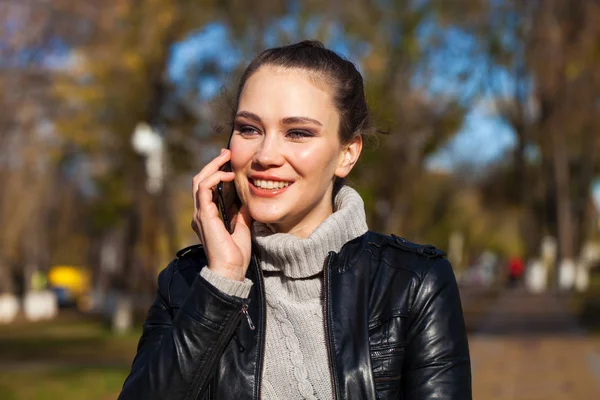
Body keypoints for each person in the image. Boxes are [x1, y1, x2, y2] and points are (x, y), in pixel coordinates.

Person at [118, 40, 471, 400]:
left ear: (347, 154)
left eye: (298, 132)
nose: (266, 155)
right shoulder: (188, 282)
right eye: (249, 129)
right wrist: (222, 284)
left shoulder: (413, 283)